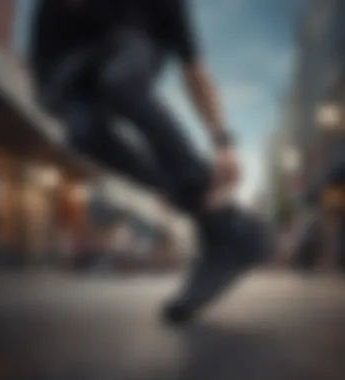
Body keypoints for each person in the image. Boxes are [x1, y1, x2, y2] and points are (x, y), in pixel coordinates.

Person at [29, 0, 265, 323]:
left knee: (120, 80)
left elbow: (194, 70)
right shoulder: (51, 17)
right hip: (64, 67)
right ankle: (221, 225)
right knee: (82, 129)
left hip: (128, 50)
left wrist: (222, 142)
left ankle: (220, 221)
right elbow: (43, 82)